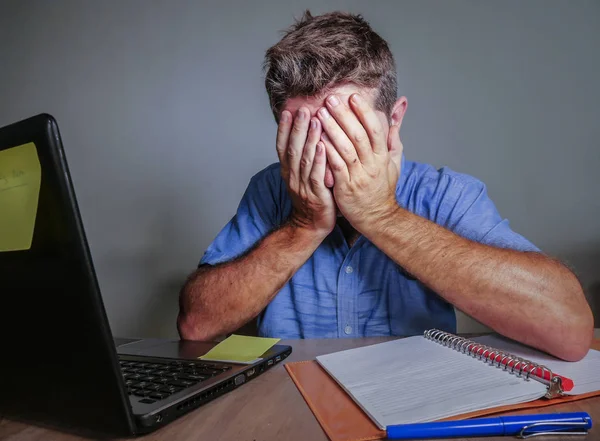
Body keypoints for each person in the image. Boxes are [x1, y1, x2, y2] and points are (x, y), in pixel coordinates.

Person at [178, 11, 593, 361]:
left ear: (393, 120)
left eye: (346, 131)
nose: (328, 159)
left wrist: (382, 216)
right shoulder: (270, 191)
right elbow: (196, 325)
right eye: (306, 136)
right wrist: (302, 227)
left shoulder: (444, 194)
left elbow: (571, 331)